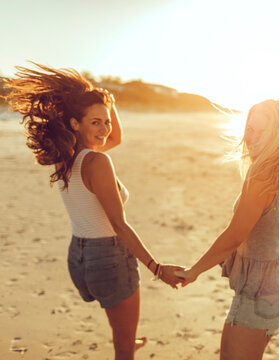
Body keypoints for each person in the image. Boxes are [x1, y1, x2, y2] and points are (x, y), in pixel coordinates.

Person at [5, 63, 182, 360]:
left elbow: (116, 138)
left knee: (122, 331)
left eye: (106, 121)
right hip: (108, 260)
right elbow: (119, 225)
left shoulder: (64, 156)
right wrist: (157, 269)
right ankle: (126, 343)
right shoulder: (97, 163)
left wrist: (103, 101)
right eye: (95, 122)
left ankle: (127, 337)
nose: (104, 129)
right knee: (123, 349)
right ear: (75, 123)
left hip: (79, 259)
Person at [175, 100, 279, 360]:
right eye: (250, 129)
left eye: (263, 131)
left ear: (278, 134)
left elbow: (234, 236)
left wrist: (194, 271)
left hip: (260, 291)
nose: (253, 138)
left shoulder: (262, 175)